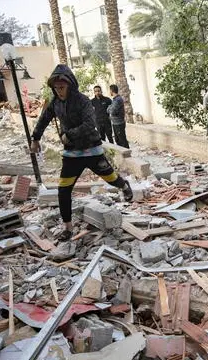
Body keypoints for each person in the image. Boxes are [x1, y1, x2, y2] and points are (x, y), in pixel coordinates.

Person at [31, 65, 133, 240]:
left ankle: (124, 186)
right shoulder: (55, 103)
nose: (59, 91)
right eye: (56, 88)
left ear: (70, 85)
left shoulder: (83, 100)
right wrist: (35, 138)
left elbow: (89, 124)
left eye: (62, 87)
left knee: (111, 178)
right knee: (63, 191)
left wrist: (69, 135)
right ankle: (68, 228)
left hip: (92, 150)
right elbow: (44, 119)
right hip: (72, 155)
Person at [107, 84, 129, 148]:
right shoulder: (114, 99)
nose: (109, 92)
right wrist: (110, 108)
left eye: (109, 90)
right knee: (118, 140)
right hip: (115, 123)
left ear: (111, 90)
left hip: (119, 123)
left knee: (122, 140)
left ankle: (127, 154)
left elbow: (112, 111)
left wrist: (109, 108)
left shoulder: (117, 100)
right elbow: (109, 109)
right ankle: (122, 154)